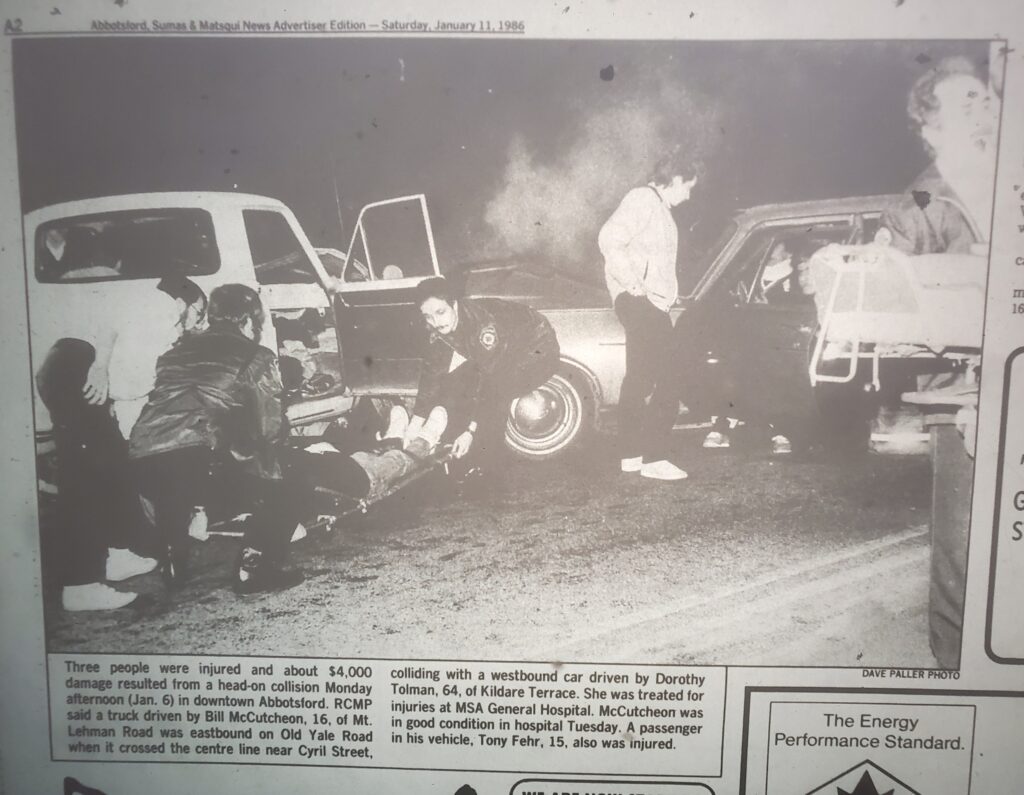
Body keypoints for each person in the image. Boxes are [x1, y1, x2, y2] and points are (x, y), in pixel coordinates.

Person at [129, 283, 303, 593]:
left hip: (142, 460)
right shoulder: (257, 356)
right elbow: (270, 428)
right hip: (199, 461)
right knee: (287, 481)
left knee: (175, 476)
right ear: (248, 321)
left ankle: (173, 559)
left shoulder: (176, 352)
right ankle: (254, 569)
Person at [598, 156, 697, 480]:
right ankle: (654, 457)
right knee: (673, 373)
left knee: (639, 378)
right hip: (641, 301)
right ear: (676, 178)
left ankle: (631, 455)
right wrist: (633, 284)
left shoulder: (658, 208)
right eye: (688, 187)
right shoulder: (644, 198)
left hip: (648, 302)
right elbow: (610, 239)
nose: (689, 196)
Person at [409, 276, 560, 471]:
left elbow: (492, 381)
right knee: (455, 382)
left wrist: (470, 431)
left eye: (440, 312)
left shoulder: (483, 328)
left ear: (454, 304)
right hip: (505, 350)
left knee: (496, 395)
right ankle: (452, 444)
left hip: (537, 350)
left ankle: (488, 467)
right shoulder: (437, 325)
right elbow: (431, 375)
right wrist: (415, 424)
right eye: (428, 316)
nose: (435, 322)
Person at [880, 56, 997, 255]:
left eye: (986, 107)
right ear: (933, 134)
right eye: (967, 112)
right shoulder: (910, 215)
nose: (986, 121)